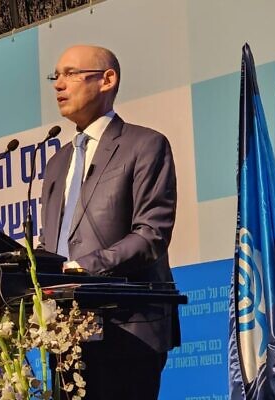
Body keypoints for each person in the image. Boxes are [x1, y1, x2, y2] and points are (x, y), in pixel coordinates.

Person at [38, 45, 180, 400]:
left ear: (107, 80)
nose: (59, 84)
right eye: (56, 76)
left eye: (70, 73)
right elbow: (54, 245)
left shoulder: (145, 145)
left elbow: (151, 235)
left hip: (127, 331)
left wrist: (82, 268)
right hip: (65, 336)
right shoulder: (57, 164)